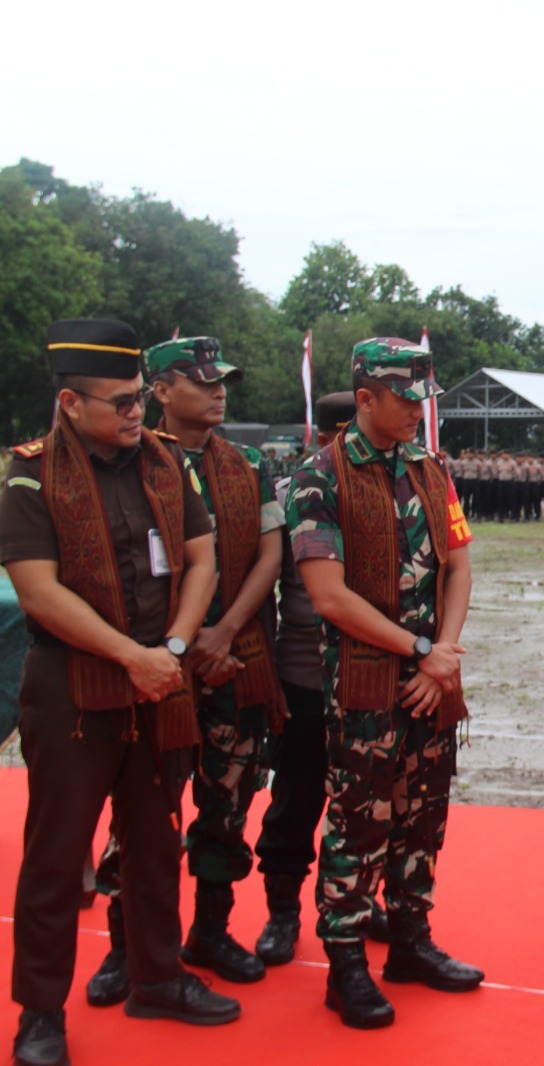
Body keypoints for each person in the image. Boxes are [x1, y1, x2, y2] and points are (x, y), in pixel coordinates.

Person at [2, 319, 240, 1066]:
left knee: (155, 838)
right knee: (56, 852)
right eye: (121, 403)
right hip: (70, 688)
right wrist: (130, 656)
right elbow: (38, 593)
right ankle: (40, 1012)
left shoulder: (168, 464)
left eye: (141, 398)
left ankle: (157, 977)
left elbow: (202, 561)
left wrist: (169, 648)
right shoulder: (28, 474)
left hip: (159, 680)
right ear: (71, 403)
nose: (138, 413)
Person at [288, 338, 482, 1029]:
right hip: (369, 684)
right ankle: (345, 963)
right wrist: (423, 650)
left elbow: (458, 565)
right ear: (364, 397)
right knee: (358, 822)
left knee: (423, 815)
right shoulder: (320, 477)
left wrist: (446, 653)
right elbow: (330, 598)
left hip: (433, 677)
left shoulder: (431, 470)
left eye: (421, 400)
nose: (415, 413)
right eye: (404, 400)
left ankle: (410, 941)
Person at [86, 336, 287, 990]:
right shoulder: (130, 463)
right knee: (142, 808)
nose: (218, 390)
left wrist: (223, 633)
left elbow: (270, 554)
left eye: (222, 378)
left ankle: (210, 930)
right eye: (201, 381)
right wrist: (185, 638)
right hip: (159, 663)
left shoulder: (248, 463)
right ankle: (128, 945)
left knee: (227, 802)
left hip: (235, 658)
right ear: (161, 392)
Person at [254, 392, 390, 966]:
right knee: (298, 798)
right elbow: (263, 593)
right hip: (306, 678)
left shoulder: (392, 495)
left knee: (367, 803)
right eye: (337, 438)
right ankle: (282, 910)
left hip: (371, 677)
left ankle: (359, 900)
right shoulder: (293, 498)